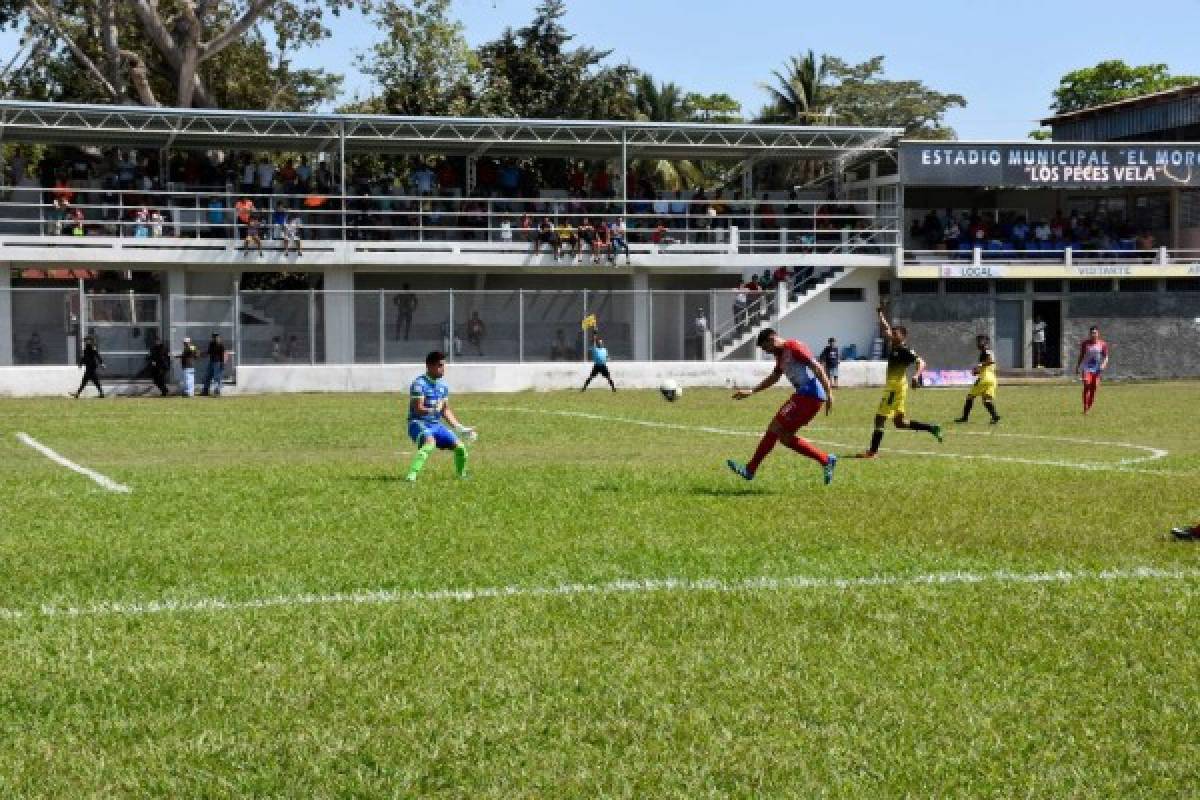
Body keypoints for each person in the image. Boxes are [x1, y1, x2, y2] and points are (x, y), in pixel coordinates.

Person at [726, 328, 838, 484]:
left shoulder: (793, 346)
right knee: (785, 438)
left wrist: (829, 393)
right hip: (806, 396)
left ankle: (750, 469)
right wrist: (752, 391)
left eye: (766, 347)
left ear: (772, 339)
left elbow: (817, 367)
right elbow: (774, 377)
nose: (767, 351)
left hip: (809, 394)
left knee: (775, 427)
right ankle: (826, 460)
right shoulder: (780, 356)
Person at [856, 307, 943, 458]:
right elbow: (885, 328)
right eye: (893, 334)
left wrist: (916, 376)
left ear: (903, 337)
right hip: (898, 387)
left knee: (880, 418)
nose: (892, 335)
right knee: (899, 422)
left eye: (895, 334)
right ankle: (931, 428)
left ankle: (872, 452)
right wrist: (880, 313)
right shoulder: (895, 344)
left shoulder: (904, 350)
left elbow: (921, 362)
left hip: (894, 389)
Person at [405, 350, 476, 482]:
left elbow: (445, 410)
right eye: (440, 365)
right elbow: (418, 409)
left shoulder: (443, 386)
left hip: (436, 425)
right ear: (429, 366)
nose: (443, 369)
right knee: (430, 443)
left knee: (460, 447)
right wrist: (433, 410)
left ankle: (462, 475)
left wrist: (460, 428)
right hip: (417, 423)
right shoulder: (419, 384)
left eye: (443, 365)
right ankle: (411, 476)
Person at [955, 334, 1001, 424]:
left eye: (980, 341)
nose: (978, 343)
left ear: (985, 342)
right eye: (978, 341)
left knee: (970, 397)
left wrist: (980, 365)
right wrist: (976, 371)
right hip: (993, 379)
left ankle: (964, 418)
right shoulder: (989, 352)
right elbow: (989, 364)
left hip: (985, 378)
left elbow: (990, 361)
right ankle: (995, 416)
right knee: (986, 400)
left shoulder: (986, 351)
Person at [1074, 325, 1109, 414]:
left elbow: (1106, 357)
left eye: (1095, 333)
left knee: (1094, 388)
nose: (1093, 334)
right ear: (1089, 334)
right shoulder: (1085, 344)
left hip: (1097, 370)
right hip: (1086, 368)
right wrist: (1078, 366)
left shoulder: (1102, 344)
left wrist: (1103, 365)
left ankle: (1089, 407)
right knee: (1087, 384)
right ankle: (1085, 407)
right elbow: (1081, 355)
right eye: (1091, 333)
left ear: (1098, 333)